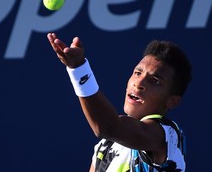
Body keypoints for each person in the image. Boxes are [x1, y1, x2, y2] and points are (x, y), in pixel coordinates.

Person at [47, 32, 192, 172]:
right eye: (137, 73)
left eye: (154, 81)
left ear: (172, 101)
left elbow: (108, 127)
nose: (139, 83)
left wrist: (79, 69)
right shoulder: (105, 145)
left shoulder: (167, 135)